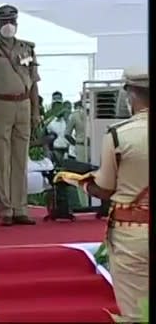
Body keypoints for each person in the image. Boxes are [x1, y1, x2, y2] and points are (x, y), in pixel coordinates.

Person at [59, 68, 148, 322]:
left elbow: (106, 188)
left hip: (134, 231)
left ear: (130, 94)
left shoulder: (120, 134)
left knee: (136, 313)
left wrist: (80, 182)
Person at [0, 4, 40, 226]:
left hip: (23, 104)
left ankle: (20, 207)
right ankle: (4, 209)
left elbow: (34, 82)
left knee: (21, 158)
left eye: (11, 22)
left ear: (17, 23)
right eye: (3, 22)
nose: (8, 26)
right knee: (0, 159)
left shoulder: (27, 48)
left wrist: (35, 111)